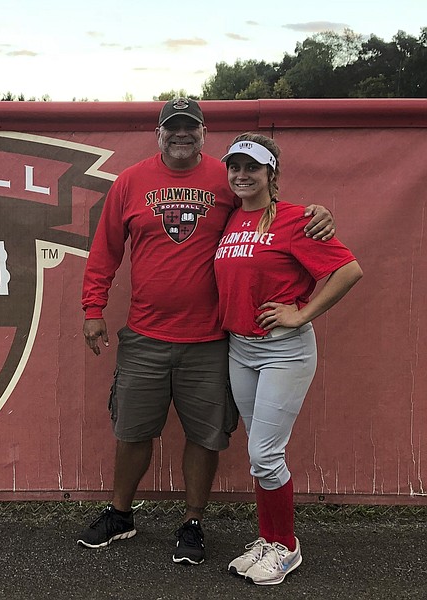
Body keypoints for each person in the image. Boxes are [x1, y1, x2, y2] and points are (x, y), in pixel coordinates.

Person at [76, 97, 336, 565]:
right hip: (146, 334)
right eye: (172, 127)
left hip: (213, 339)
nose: (181, 134)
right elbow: (106, 249)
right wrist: (93, 307)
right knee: (132, 430)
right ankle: (120, 514)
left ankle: (193, 520)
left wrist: (316, 214)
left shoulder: (226, 176)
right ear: (159, 133)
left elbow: (268, 208)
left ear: (203, 132)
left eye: (190, 127)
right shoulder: (131, 182)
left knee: (206, 435)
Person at [214, 133, 362, 584]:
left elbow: (348, 270)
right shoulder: (231, 218)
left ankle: (287, 547)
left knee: (265, 451)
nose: (241, 175)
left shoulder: (297, 219)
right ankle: (268, 538)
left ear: (270, 173)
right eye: (234, 167)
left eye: (252, 168)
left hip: (283, 350)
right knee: (261, 456)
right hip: (241, 348)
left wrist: (302, 314)